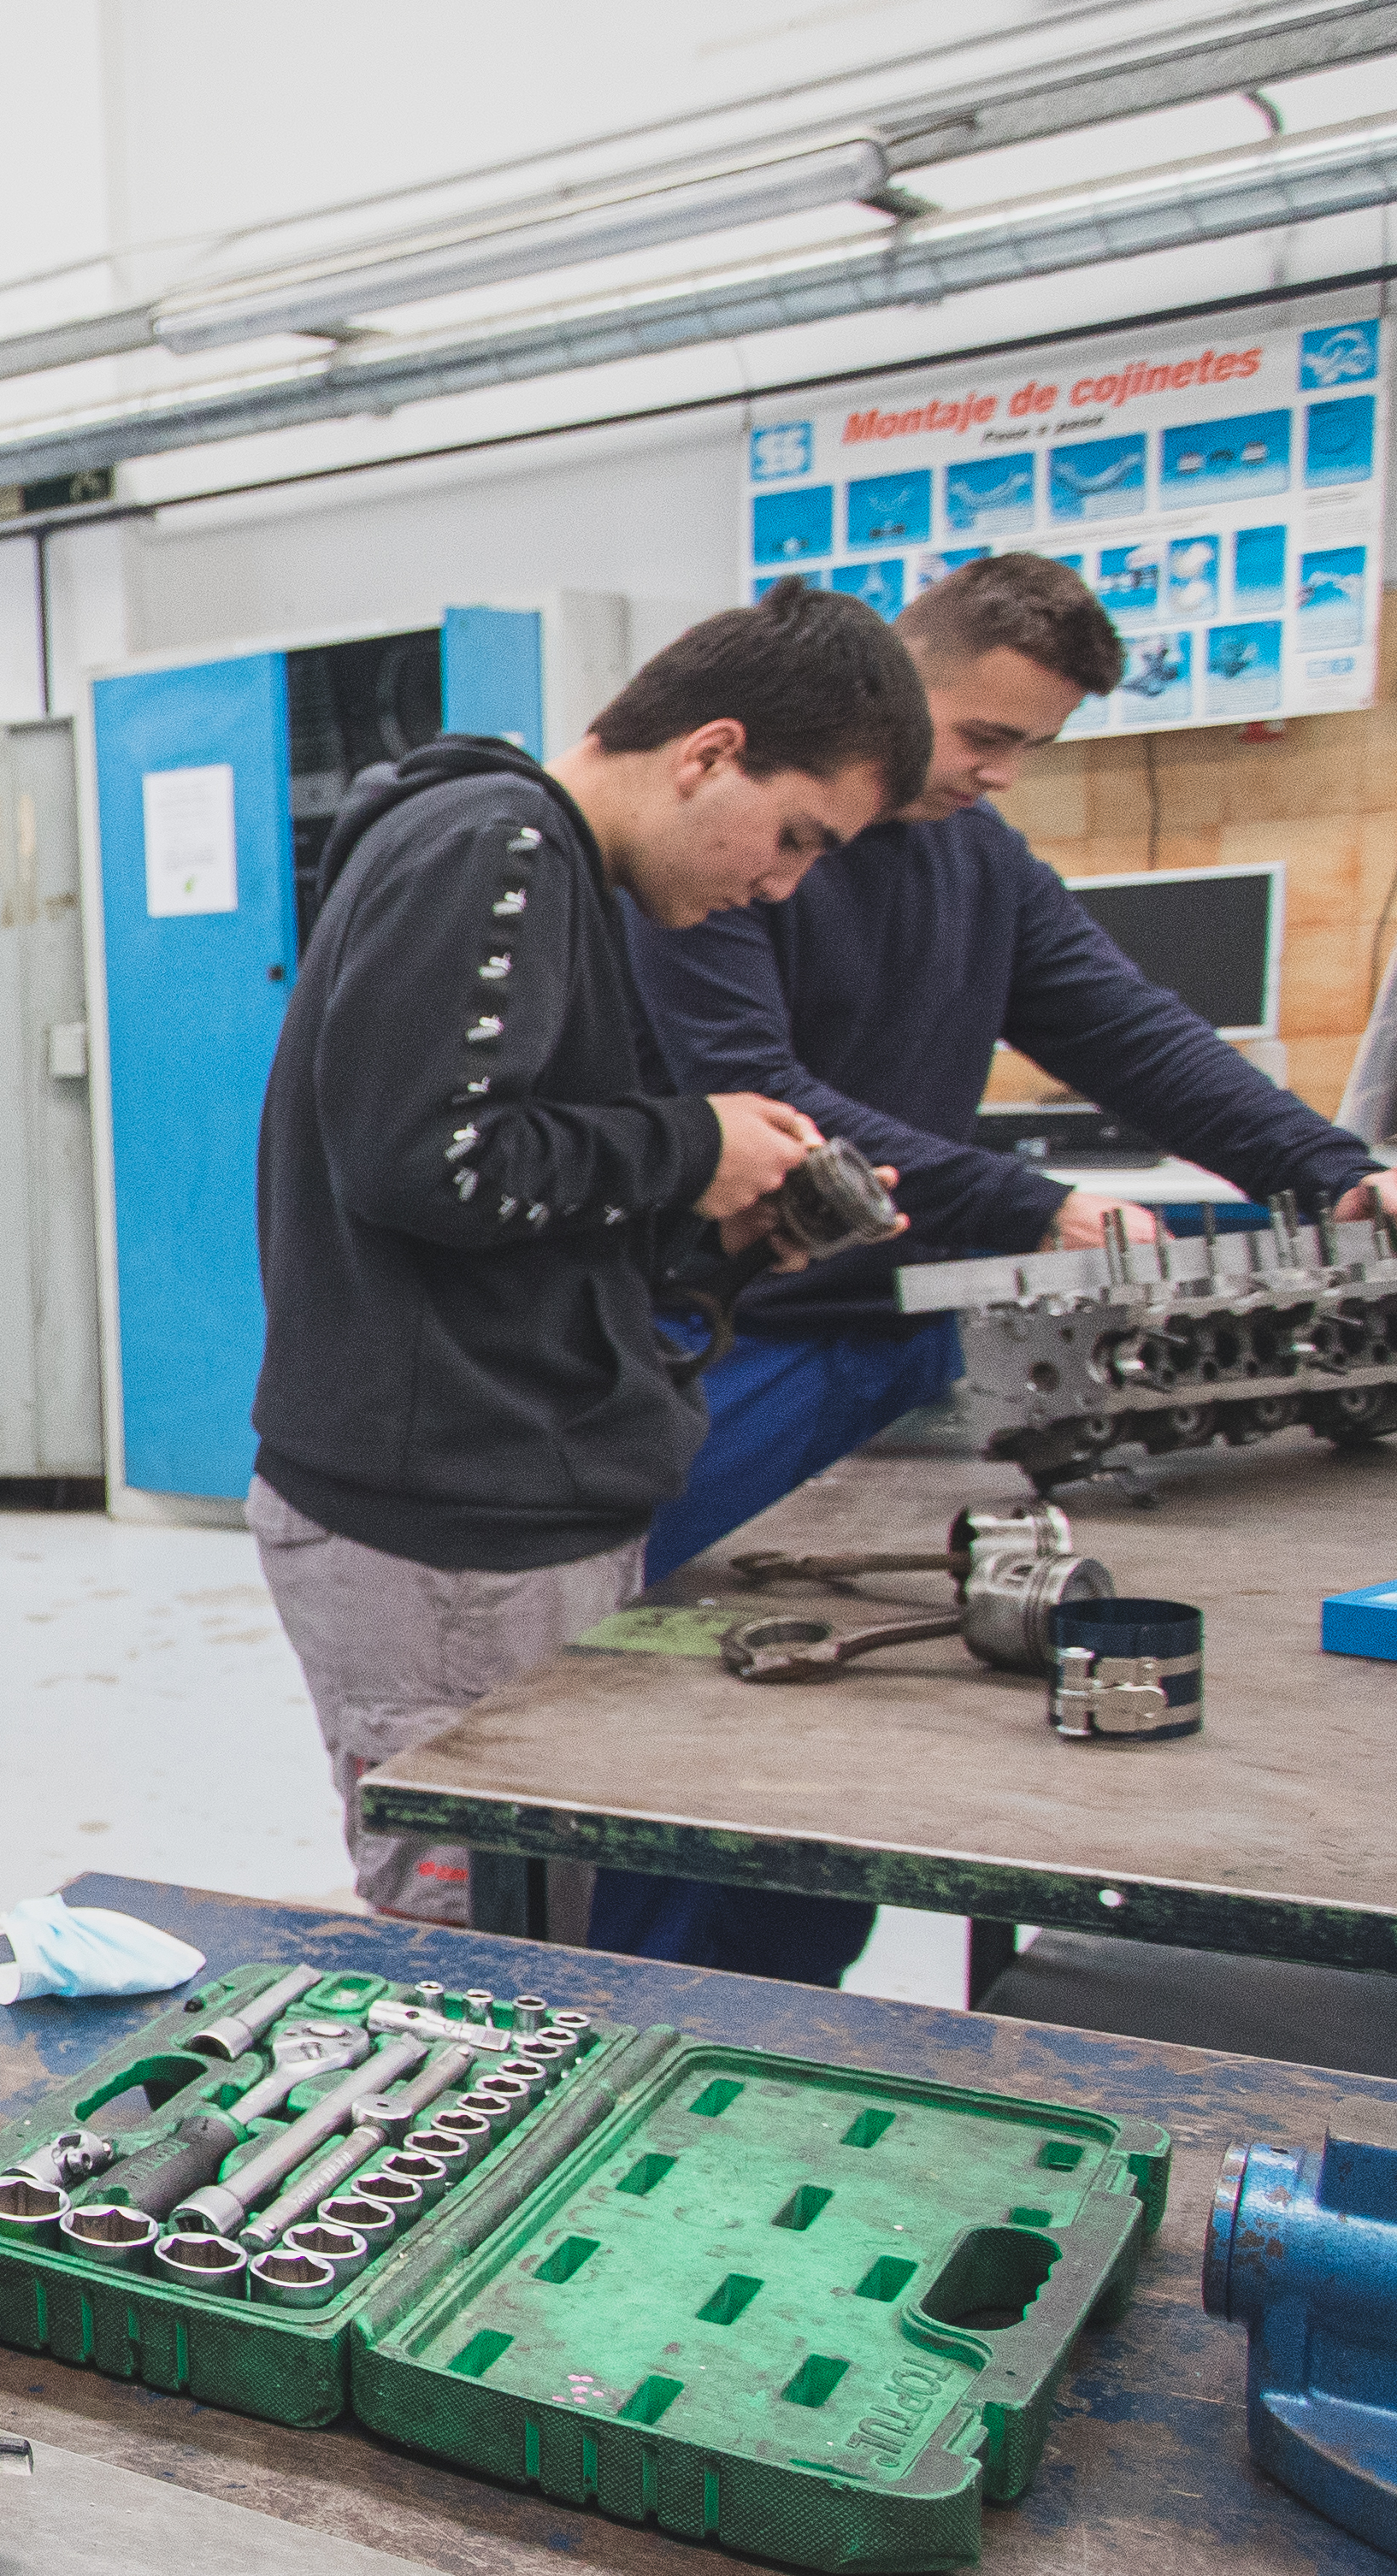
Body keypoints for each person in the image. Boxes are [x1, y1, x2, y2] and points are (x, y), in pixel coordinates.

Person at [587, 552, 1397, 1982]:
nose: (999, 775)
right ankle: (640, 2033)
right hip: (733, 1356)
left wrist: (1339, 1172)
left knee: (862, 1739)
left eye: (1032, 751)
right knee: (702, 1749)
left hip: (912, 1343)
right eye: (982, 736)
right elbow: (750, 1089)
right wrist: (1028, 1204)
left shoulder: (978, 859)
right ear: (885, 686)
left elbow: (1135, 1033)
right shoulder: (735, 858)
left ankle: (785, 2034)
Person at [251, 589, 924, 1923]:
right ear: (708, 751)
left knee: (542, 1928)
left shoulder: (543, 865)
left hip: (497, 1515)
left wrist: (714, 1223)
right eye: (793, 836)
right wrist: (686, 1144)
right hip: (441, 1532)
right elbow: (420, 1160)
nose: (782, 883)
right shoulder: (496, 843)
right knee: (477, 1958)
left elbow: (505, 1190)